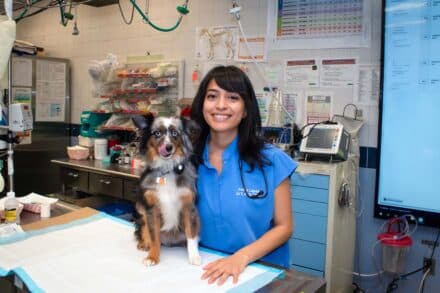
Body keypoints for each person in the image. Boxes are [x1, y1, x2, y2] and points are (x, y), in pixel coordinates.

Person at [190, 65, 298, 286]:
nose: (221, 105)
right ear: (202, 104)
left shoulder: (271, 160)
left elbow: (284, 227)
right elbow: (162, 188)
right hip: (204, 269)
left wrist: (241, 257)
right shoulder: (187, 158)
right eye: (212, 96)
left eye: (232, 98)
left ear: (246, 109)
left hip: (260, 269)